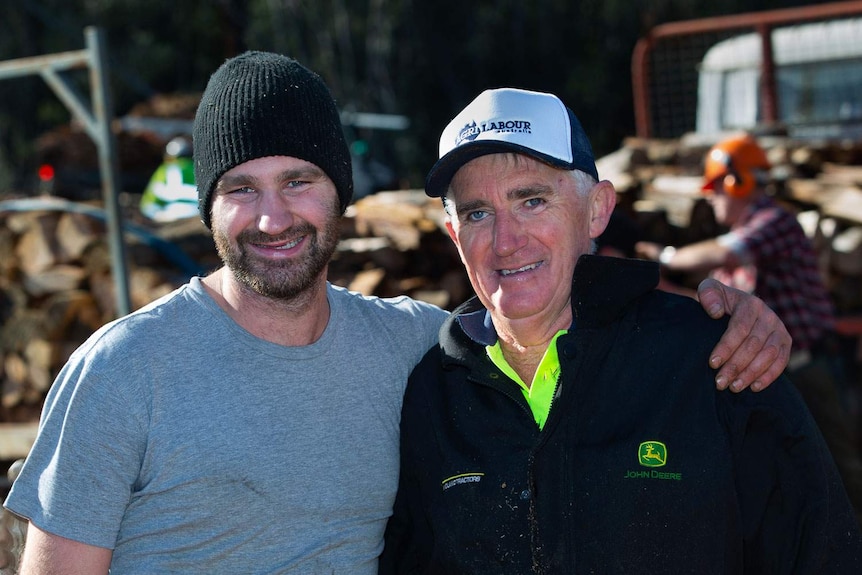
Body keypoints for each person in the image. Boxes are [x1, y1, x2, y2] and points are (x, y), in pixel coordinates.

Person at [2, 53, 787, 574]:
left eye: (300, 180)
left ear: (342, 192)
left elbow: (531, 312)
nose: (273, 218)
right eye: (241, 188)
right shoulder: (125, 369)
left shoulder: (411, 347)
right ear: (208, 208)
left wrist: (729, 313)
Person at [380, 88, 862, 573]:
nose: (506, 242)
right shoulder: (431, 393)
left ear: (597, 210)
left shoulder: (715, 362)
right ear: (454, 237)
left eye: (531, 200)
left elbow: (819, 554)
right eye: (477, 213)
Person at [636, 134, 862, 522]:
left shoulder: (773, 222)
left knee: (840, 465)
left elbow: (721, 252)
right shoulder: (742, 251)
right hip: (774, 369)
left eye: (715, 189)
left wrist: (663, 258)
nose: (711, 199)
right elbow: (716, 305)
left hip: (809, 368)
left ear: (735, 182)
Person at [139, 135, 199, 222]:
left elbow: (151, 200)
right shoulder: (197, 168)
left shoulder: (166, 168)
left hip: (168, 213)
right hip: (193, 212)